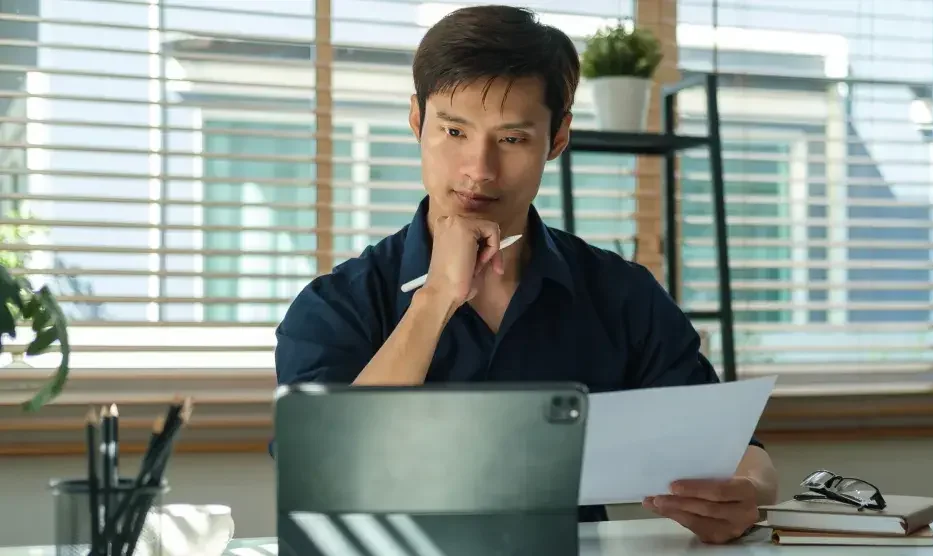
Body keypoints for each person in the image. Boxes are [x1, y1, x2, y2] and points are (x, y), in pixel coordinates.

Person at [275, 4, 777, 545]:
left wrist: (746, 492)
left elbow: (739, 450)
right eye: (454, 130)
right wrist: (437, 297)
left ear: (558, 138)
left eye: (512, 139)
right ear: (417, 121)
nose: (479, 169)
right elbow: (322, 476)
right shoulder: (336, 304)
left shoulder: (619, 294)